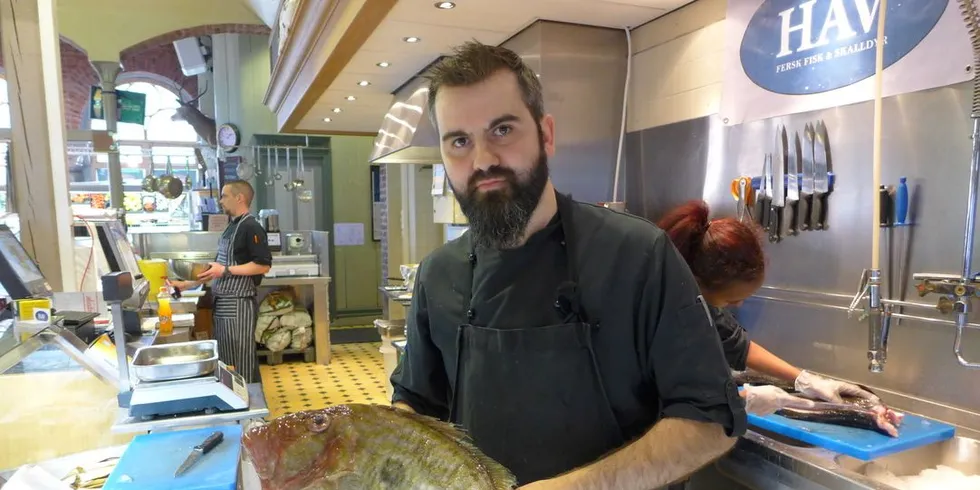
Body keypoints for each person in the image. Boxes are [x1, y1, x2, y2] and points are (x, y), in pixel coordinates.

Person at [389, 41, 746, 489]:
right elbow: (417, 406)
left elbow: (711, 420)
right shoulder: (437, 273)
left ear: (547, 135)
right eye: (459, 141)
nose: (482, 161)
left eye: (502, 130)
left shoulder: (638, 255)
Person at [657, 200, 878, 416]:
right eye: (731, 300)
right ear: (697, 281)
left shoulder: (698, 300)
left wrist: (804, 379)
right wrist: (744, 401)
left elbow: (738, 346)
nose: (738, 305)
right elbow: (667, 400)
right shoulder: (658, 316)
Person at [171, 180, 271, 384]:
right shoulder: (232, 226)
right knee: (227, 360)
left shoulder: (251, 227)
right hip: (223, 304)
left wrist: (225, 270)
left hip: (238, 305)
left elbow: (263, 265)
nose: (220, 200)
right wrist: (187, 283)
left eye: (224, 196)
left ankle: (248, 409)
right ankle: (237, 402)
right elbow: (217, 267)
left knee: (241, 359)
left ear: (239, 198)